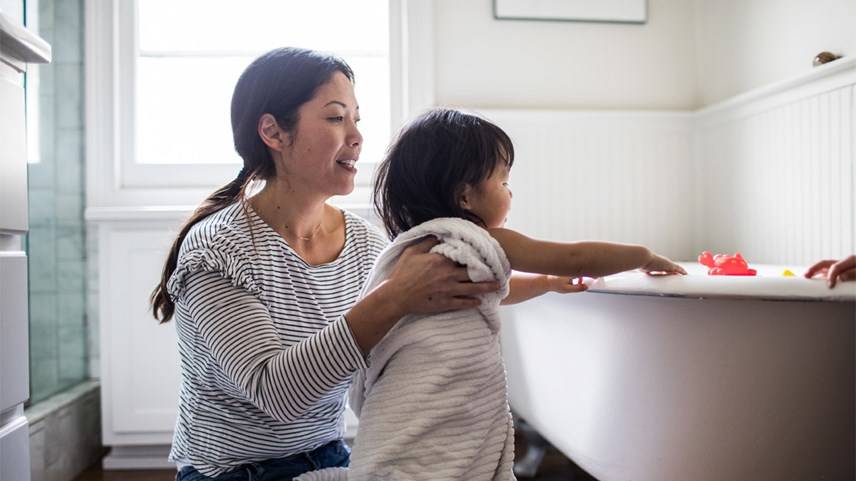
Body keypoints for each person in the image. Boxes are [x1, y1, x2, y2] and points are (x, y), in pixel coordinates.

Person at [148, 48, 502, 481]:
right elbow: (276, 393)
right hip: (233, 472)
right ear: (274, 133)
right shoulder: (218, 250)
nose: (356, 136)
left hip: (332, 455)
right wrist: (393, 297)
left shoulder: (364, 243)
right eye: (336, 118)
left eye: (357, 119)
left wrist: (544, 281)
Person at [296, 109, 686, 481]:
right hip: (438, 405)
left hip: (400, 425)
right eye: (503, 182)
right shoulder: (481, 239)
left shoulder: (412, 252)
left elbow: (488, 291)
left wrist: (547, 282)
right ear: (465, 197)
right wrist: (642, 255)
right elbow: (574, 255)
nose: (510, 194)